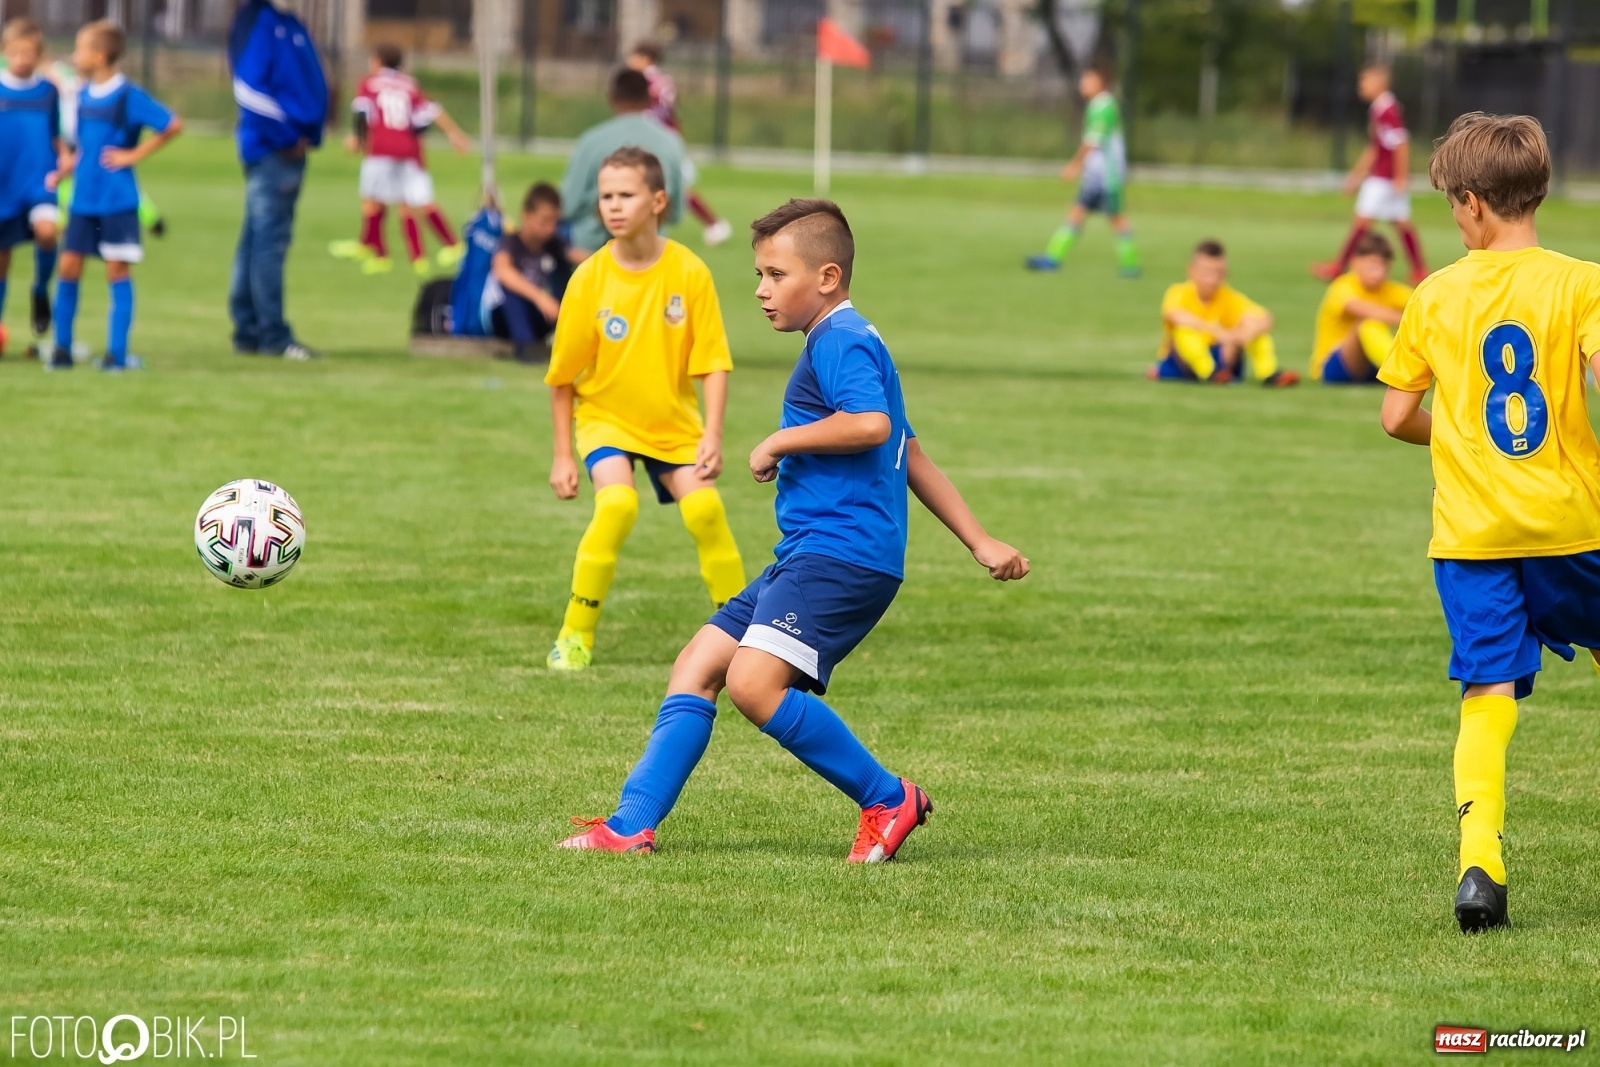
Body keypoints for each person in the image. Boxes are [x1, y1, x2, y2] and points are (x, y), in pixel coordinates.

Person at [557, 197, 1029, 861]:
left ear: (828, 277)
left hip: (840, 555)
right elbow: (912, 453)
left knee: (753, 684)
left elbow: (873, 427)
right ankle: (631, 823)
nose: (761, 289)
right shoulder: (854, 338)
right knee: (698, 663)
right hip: (812, 553)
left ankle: (887, 797)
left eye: (776, 275)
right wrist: (979, 540)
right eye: (760, 274)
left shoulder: (838, 340)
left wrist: (779, 440)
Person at [1377, 113, 1600, 933]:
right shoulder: (1582, 283)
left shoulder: (1436, 294)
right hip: (1570, 524)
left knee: (1487, 687)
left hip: (1472, 536)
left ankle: (1481, 865)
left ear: (1471, 203)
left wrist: (1461, 431)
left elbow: (1396, 415)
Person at [542, 147, 745, 671]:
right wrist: (562, 456)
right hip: (605, 420)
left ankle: (746, 640)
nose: (613, 205)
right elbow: (562, 378)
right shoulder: (589, 278)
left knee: (706, 511)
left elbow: (713, 362)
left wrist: (713, 434)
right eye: (606, 196)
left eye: (625, 195)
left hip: (673, 425)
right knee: (616, 506)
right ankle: (575, 635)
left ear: (658, 201)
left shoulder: (690, 272)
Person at [52, 20, 180, 373]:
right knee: (68, 268)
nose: (75, 56)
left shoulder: (127, 95)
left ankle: (117, 356)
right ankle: (61, 351)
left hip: (117, 201)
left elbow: (172, 124)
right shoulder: (82, 95)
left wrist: (133, 155)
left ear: (99, 55)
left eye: (80, 49)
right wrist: (68, 167)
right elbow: (85, 146)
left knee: (116, 271)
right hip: (83, 200)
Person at [227, 0, 326, 360]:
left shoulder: (287, 22)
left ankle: (249, 328)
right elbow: (248, 88)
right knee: (269, 242)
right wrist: (287, 134)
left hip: (286, 147)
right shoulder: (261, 21)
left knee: (256, 237)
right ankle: (272, 334)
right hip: (273, 150)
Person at [329, 43, 470, 277]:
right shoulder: (410, 84)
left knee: (372, 200)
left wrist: (357, 138)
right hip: (408, 150)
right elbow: (429, 113)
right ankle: (441, 247)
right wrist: (455, 134)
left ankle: (375, 250)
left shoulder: (369, 83)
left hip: (381, 148)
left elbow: (362, 112)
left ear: (378, 61)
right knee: (414, 200)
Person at [1314, 64, 1428, 285]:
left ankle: (1338, 266)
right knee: (1401, 222)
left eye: (1364, 81)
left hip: (1384, 179)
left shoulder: (1388, 109)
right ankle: (1419, 270)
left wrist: (1400, 176)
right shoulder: (1379, 108)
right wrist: (1355, 177)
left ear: (1379, 83)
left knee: (1362, 221)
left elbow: (1401, 143)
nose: (1361, 86)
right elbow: (1375, 148)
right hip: (1384, 178)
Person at [1025, 66, 1139, 278]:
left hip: (1107, 176)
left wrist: (1074, 165)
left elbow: (1092, 142)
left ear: (1101, 82)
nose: (1083, 84)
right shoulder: (1097, 105)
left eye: (1089, 79)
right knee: (1077, 212)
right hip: (1096, 175)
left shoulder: (1104, 106)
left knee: (1116, 218)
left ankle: (1130, 266)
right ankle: (1052, 258)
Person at [559, 67, 685, 257]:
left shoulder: (592, 141)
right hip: (650, 249)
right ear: (649, 99)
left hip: (592, 248)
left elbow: (569, 204)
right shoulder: (670, 141)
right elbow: (675, 213)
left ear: (611, 97)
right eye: (607, 196)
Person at [0, 18, 67, 356]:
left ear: (39, 55)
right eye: (15, 52)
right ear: (4, 51)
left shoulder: (48, 92)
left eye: (28, 53)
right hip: (4, 186)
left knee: (47, 232)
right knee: (3, 259)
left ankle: (40, 290)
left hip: (39, 180)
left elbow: (56, 136)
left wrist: (65, 159)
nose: (21, 59)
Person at [626, 40, 731, 247]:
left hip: (657, 141)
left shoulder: (647, 82)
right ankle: (713, 225)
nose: (630, 61)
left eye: (634, 57)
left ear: (645, 58)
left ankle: (714, 224)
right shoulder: (661, 80)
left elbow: (652, 114)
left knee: (674, 186)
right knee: (661, 185)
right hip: (667, 139)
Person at [1150, 240, 1299, 386]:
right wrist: (1216, 331)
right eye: (1206, 272)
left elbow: (1265, 318)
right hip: (1182, 362)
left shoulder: (1228, 297)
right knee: (1184, 331)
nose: (1212, 279)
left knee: (1254, 328)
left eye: (1218, 273)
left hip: (1219, 354)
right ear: (1191, 271)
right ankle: (1208, 373)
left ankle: (1268, 374)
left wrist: (1243, 334)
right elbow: (1174, 315)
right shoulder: (1178, 292)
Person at [1310, 231, 1412, 383]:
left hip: (1372, 365)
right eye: (1372, 265)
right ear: (1355, 262)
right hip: (1334, 365)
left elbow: (1424, 304)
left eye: (1384, 266)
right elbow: (1363, 309)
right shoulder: (1343, 286)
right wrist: (1410, 319)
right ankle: (1399, 370)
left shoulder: (1391, 290)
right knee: (1367, 325)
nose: (1378, 273)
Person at [489, 181, 569, 363]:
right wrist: (540, 297)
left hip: (541, 316)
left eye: (555, 222)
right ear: (526, 215)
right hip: (503, 317)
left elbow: (580, 256)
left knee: (565, 272)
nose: (551, 228)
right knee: (512, 290)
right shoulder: (510, 243)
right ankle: (526, 347)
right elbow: (502, 271)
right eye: (545, 221)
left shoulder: (554, 245)